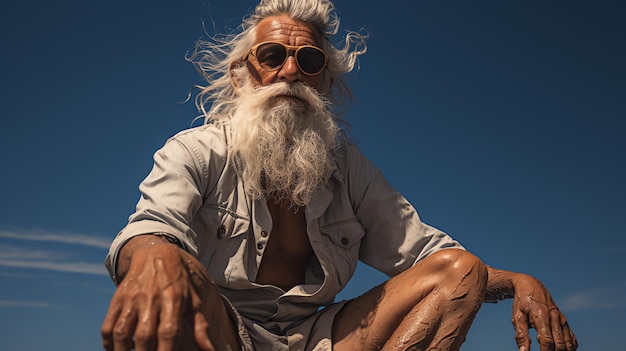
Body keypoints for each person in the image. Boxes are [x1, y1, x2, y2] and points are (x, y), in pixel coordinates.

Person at [101, 1, 578, 350]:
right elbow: (152, 225)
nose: (290, 70)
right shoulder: (197, 149)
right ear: (242, 74)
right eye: (272, 56)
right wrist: (155, 256)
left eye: (309, 61)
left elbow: (430, 254)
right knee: (171, 264)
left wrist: (519, 280)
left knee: (462, 270)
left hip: (318, 340)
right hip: (220, 330)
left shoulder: (348, 170)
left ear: (323, 81)